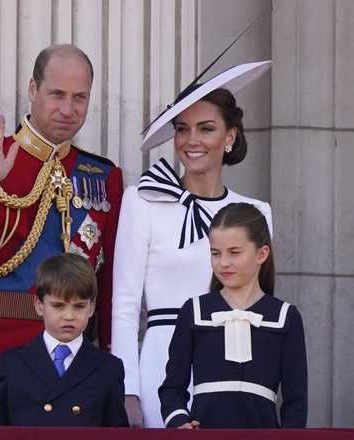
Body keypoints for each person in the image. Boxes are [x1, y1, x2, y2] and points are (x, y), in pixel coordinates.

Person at [0, 44, 123, 418]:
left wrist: (110, 358)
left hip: (75, 371)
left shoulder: (103, 176)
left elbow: (110, 280)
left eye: (80, 97)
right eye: (57, 95)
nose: (68, 110)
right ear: (33, 90)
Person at [110, 61, 274, 427]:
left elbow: (260, 311)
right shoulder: (142, 201)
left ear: (230, 136)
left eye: (206, 128)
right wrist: (127, 390)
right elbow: (123, 306)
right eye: (182, 129)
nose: (191, 140)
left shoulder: (255, 213)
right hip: (160, 364)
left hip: (234, 367)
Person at [159, 203, 307, 428]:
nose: (223, 263)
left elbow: (296, 402)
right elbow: (172, 388)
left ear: (262, 253)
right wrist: (180, 421)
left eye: (234, 252)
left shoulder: (286, 317)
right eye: (215, 253)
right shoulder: (194, 311)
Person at [0, 254, 128, 427]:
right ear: (39, 305)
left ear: (91, 307)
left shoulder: (108, 368)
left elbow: (117, 431)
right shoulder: (12, 363)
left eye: (79, 306)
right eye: (58, 306)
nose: (69, 316)